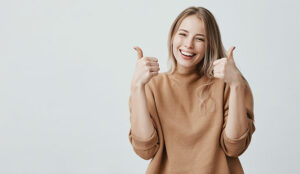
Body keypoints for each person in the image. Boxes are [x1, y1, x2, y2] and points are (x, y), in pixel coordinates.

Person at [128, 6, 255, 174]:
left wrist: (237, 85)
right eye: (183, 34)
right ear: (172, 36)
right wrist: (137, 87)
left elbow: (235, 147)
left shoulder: (229, 84)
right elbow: (145, 150)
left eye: (200, 39)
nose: (188, 44)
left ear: (210, 44)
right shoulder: (153, 86)